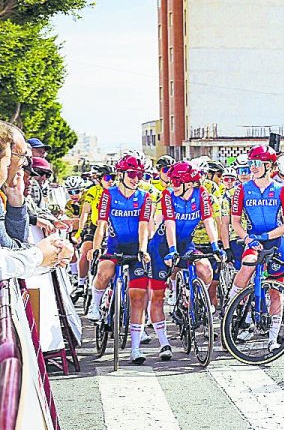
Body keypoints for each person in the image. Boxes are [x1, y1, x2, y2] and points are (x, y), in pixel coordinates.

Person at [148, 162, 224, 358]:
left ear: (189, 184)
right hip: (162, 245)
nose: (171, 184)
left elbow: (208, 221)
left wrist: (216, 247)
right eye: (171, 181)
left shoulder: (201, 195)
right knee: (157, 295)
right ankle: (164, 343)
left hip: (186, 242)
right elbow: (170, 223)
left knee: (206, 268)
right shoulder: (168, 195)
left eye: (176, 181)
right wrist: (172, 251)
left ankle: (196, 297)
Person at [84, 154, 154, 364]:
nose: (136, 178)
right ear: (121, 174)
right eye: (132, 174)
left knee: (138, 297)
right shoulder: (108, 194)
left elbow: (143, 226)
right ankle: (96, 307)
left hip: (135, 248)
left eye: (139, 175)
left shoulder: (145, 197)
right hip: (114, 245)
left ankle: (135, 349)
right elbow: (102, 224)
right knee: (105, 271)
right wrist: (97, 248)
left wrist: (143, 249)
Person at [227, 145, 284, 349]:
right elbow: (235, 222)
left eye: (257, 163)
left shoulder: (282, 189)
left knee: (276, 291)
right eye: (251, 163)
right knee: (247, 265)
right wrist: (248, 239)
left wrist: (266, 236)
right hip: (253, 240)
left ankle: (273, 339)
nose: (253, 167)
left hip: (276, 241)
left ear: (269, 166)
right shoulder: (242, 189)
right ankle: (232, 304)